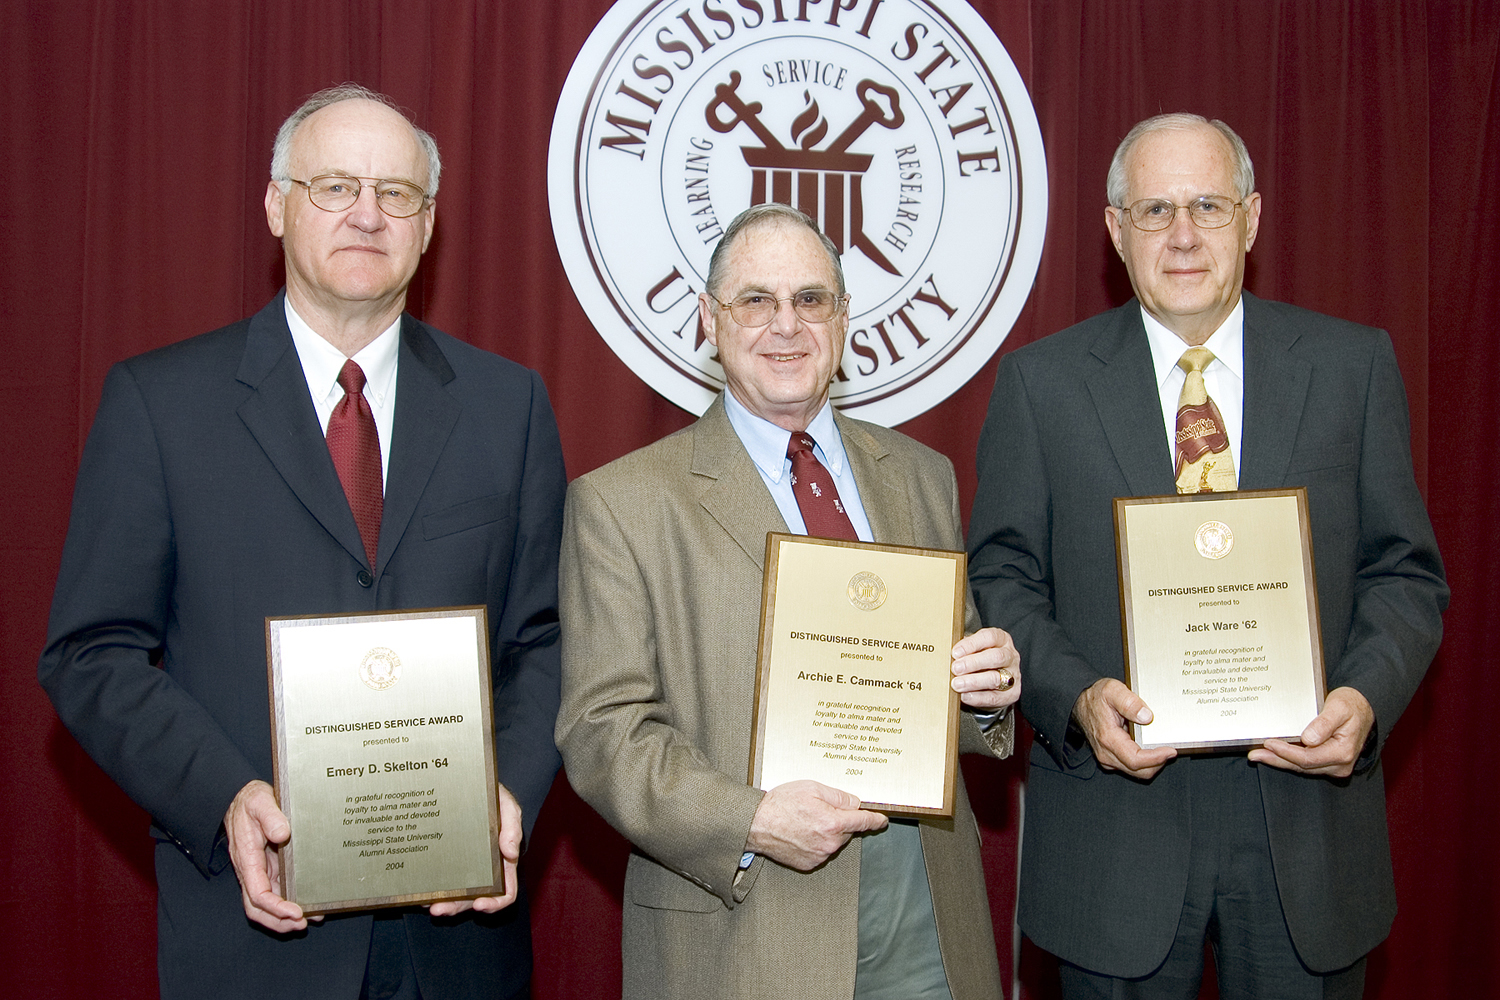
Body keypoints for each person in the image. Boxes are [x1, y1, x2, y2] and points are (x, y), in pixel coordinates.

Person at [38, 84, 565, 1000]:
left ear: (429, 224)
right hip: (253, 938)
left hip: (460, 943)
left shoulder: (506, 406)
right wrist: (224, 800)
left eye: (397, 193)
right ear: (277, 206)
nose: (367, 213)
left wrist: (508, 793)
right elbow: (91, 654)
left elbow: (547, 638)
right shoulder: (161, 405)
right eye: (333, 187)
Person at [968, 113, 1448, 998]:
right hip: (1115, 841)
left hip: (1307, 835)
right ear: (1116, 231)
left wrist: (1365, 696)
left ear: (1252, 218)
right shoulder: (1041, 385)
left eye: (1207, 206)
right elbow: (1002, 575)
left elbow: (1404, 572)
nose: (1183, 234)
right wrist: (1074, 697)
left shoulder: (1353, 366)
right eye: (1154, 209)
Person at [556, 203, 1022, 1000]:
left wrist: (986, 692)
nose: (786, 325)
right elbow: (604, 731)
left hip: (927, 921)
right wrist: (748, 821)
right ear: (709, 318)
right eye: (756, 301)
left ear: (842, 321)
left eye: (811, 300)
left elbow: (946, 677)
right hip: (746, 933)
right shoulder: (624, 502)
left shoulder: (920, 476)